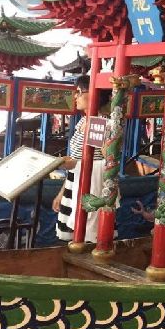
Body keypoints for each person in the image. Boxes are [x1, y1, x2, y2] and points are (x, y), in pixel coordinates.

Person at [52, 76, 111, 243]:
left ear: (92, 94)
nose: (75, 96)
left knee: (89, 236)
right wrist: (63, 192)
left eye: (79, 92)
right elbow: (77, 161)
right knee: (75, 234)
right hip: (75, 185)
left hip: (92, 187)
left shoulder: (102, 122)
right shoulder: (83, 122)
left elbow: (110, 159)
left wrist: (93, 132)